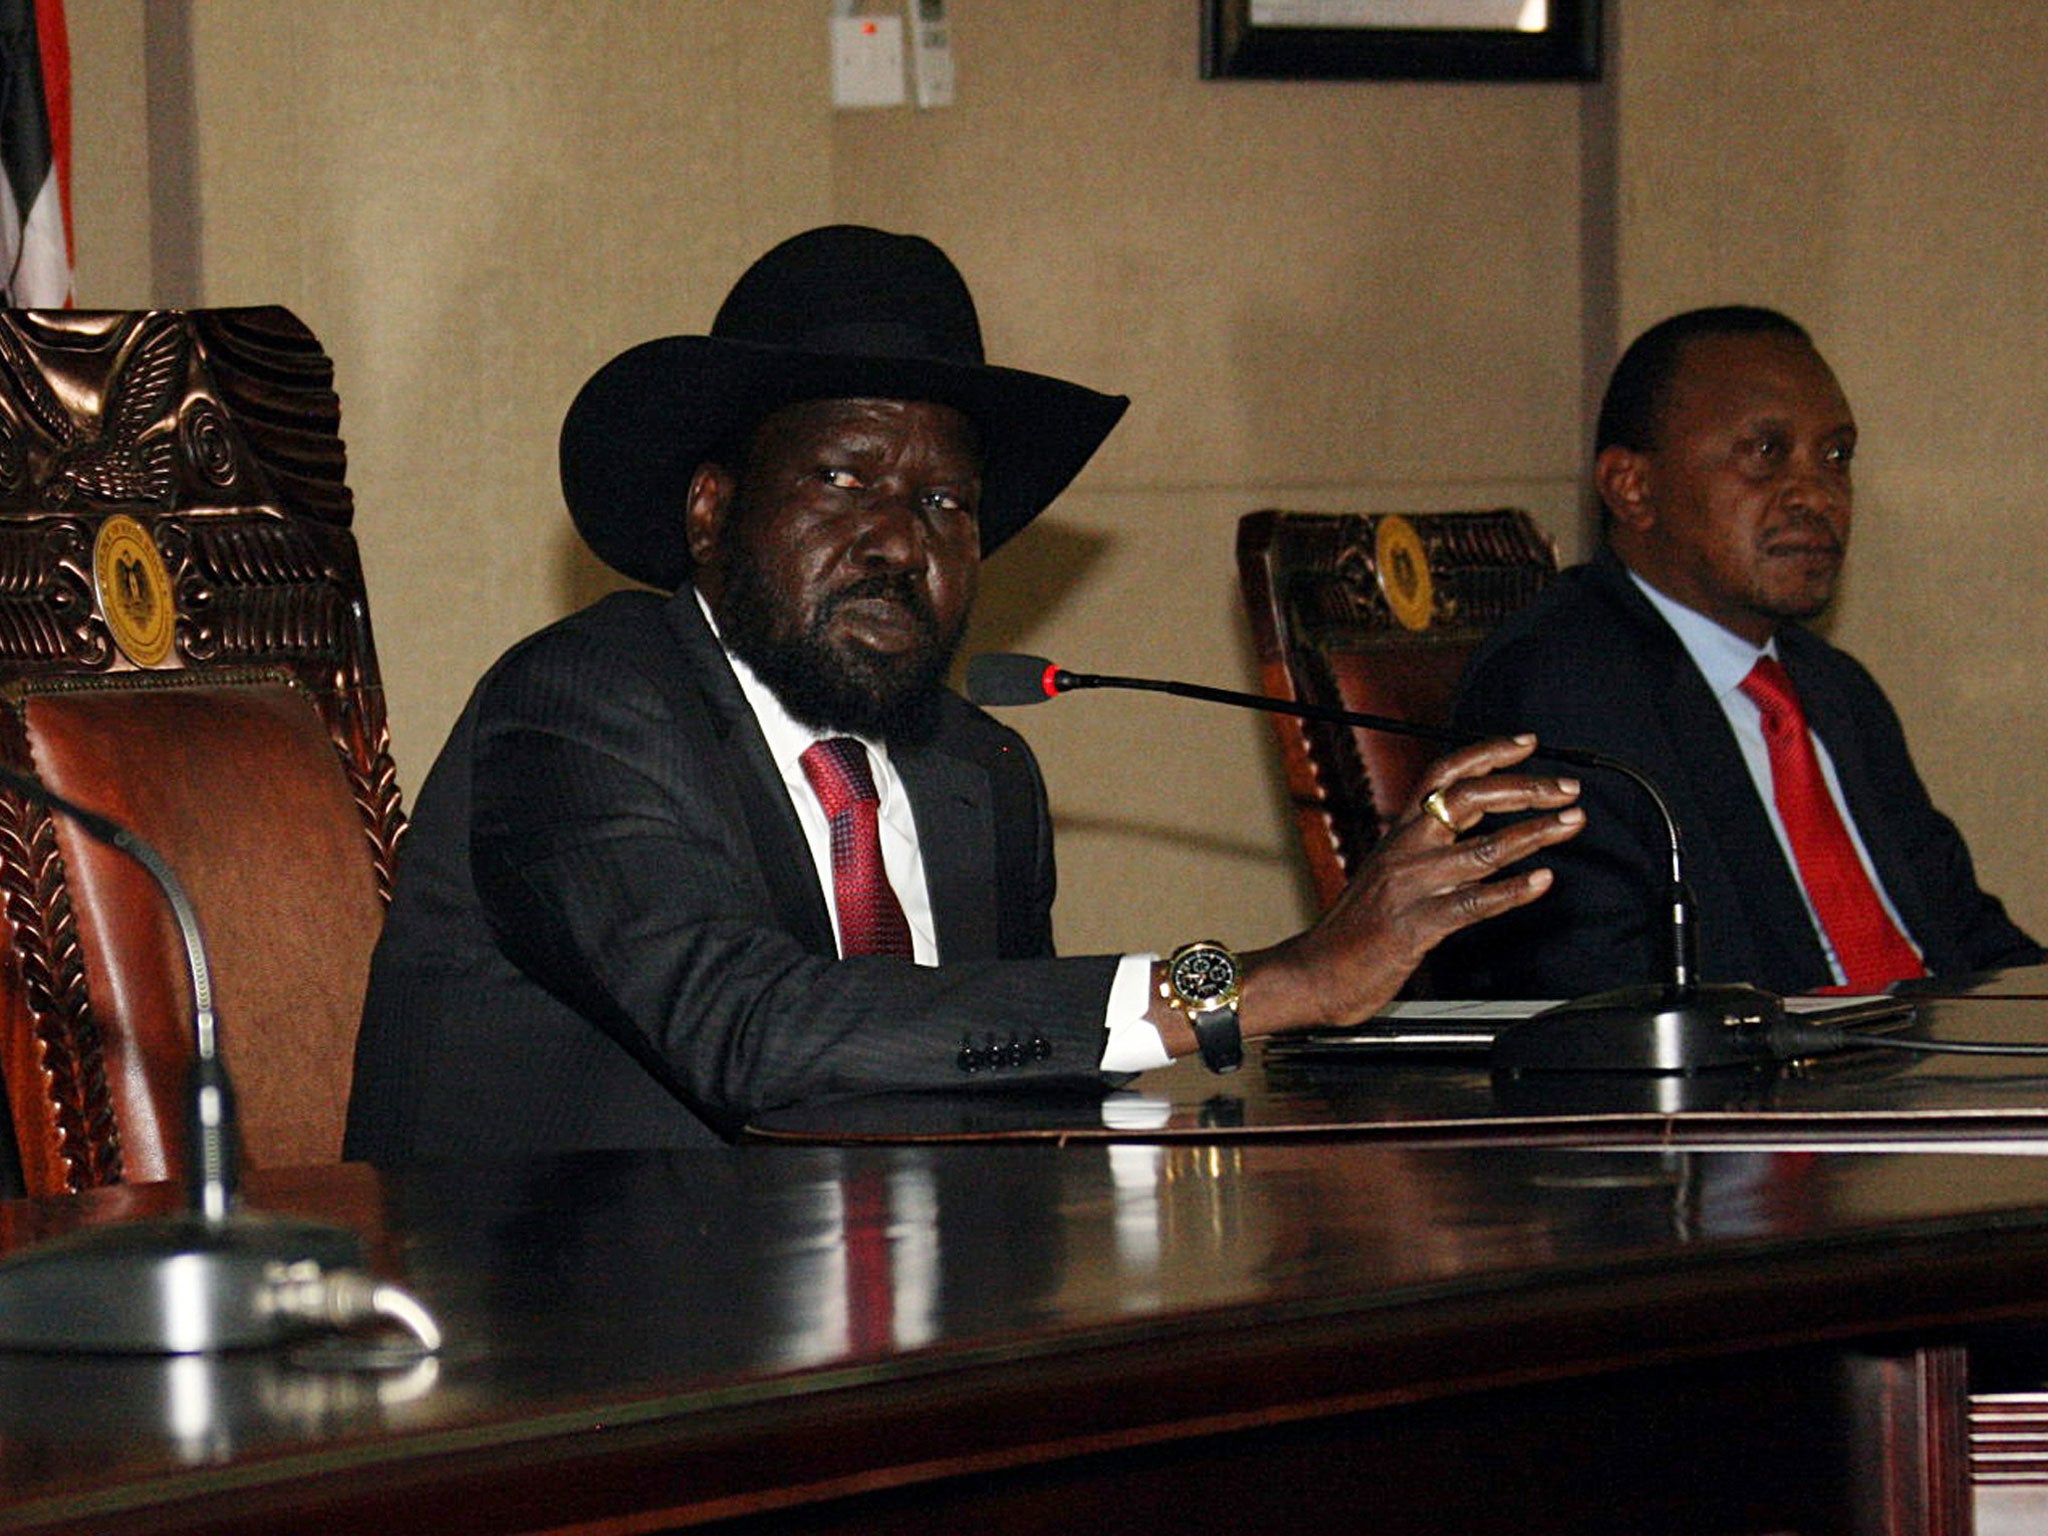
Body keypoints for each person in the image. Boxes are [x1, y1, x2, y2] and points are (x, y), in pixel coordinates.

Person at [343, 225, 1583, 1161]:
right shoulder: (581, 712)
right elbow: (756, 1035)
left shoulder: (973, 772)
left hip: (881, 1352)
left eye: (944, 502)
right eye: (842, 478)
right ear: (713, 509)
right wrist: (1264, 980)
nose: (898, 539)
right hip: (562, 1378)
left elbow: (1008, 1054)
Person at [1446, 305, 2038, 1000]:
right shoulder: (1558, 693)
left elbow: (1963, 933)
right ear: (1632, 488)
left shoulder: (1832, 687)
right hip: (1776, 1100)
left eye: (1837, 456)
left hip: (1935, 1079)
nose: (1817, 494)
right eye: (1766, 454)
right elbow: (1596, 1003)